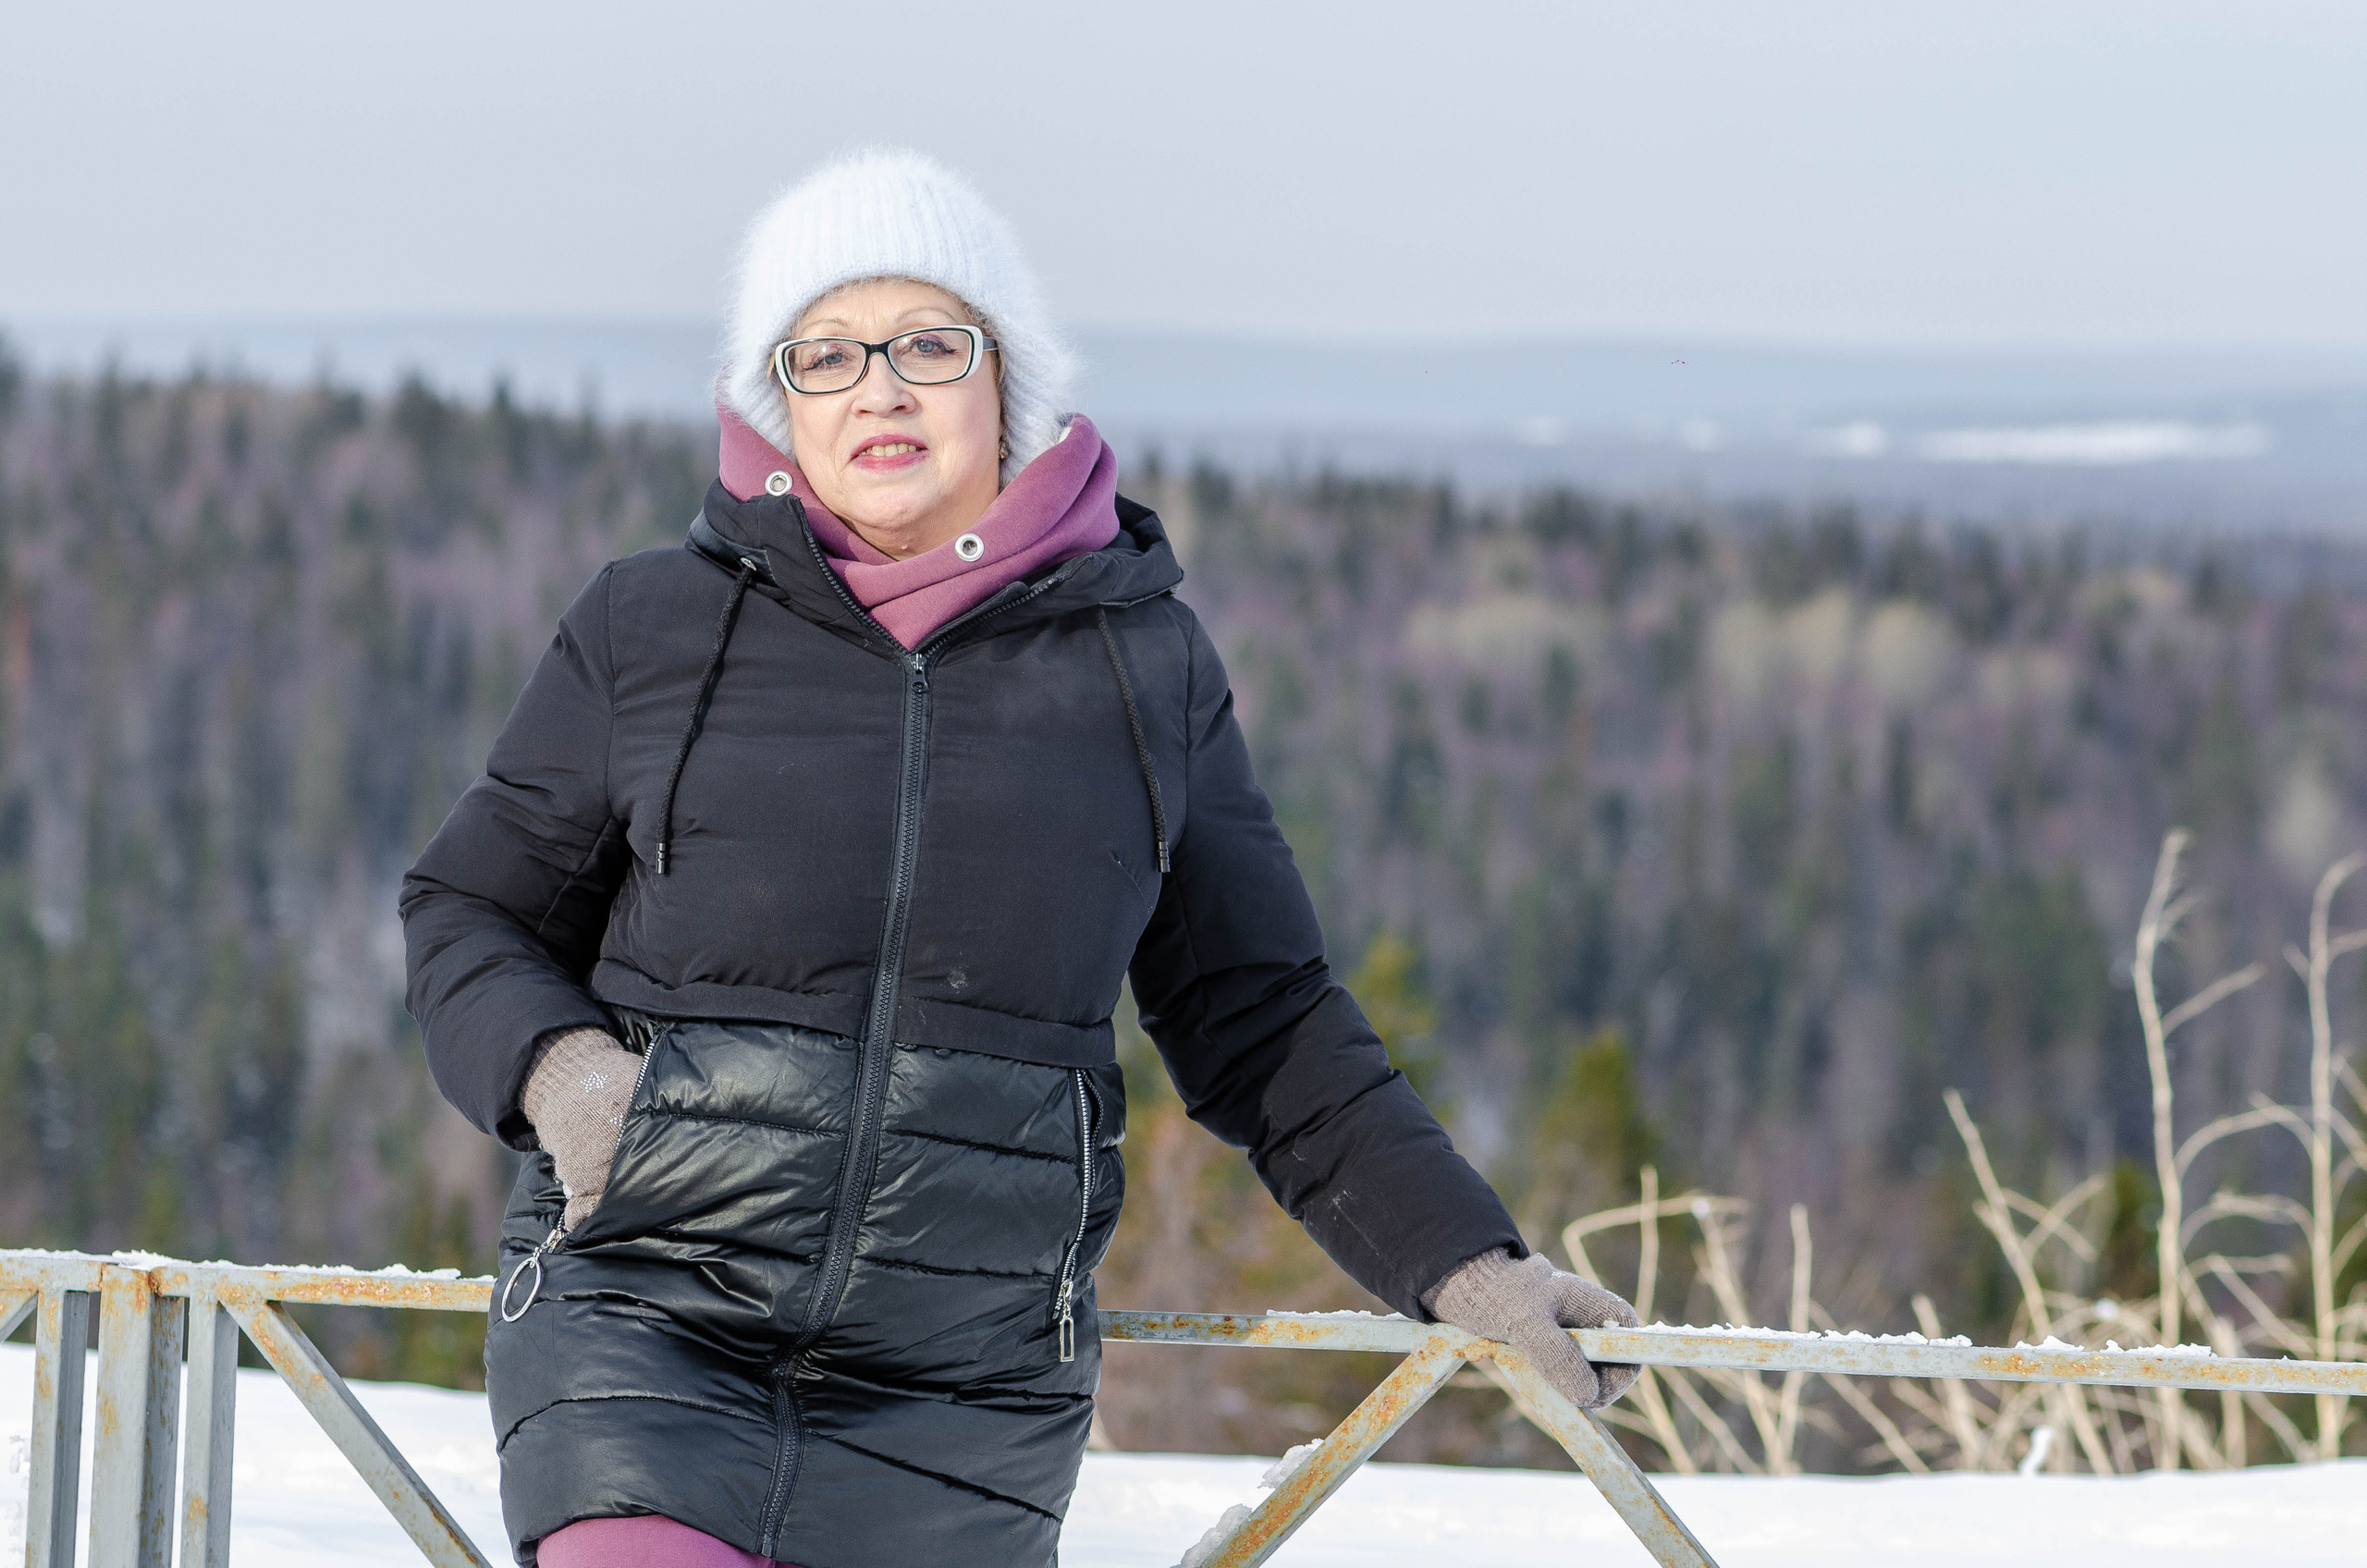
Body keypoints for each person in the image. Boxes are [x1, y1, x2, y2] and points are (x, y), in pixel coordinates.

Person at [401, 149, 1639, 1568]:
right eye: (825, 355)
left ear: (1010, 383)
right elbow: (466, 907)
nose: (879, 387)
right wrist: (569, 1083)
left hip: (964, 1385)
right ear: (772, 405)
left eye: (930, 343)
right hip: (650, 1313)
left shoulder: (1142, 665)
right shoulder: (652, 626)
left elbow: (1262, 1017)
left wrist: (1466, 1266)